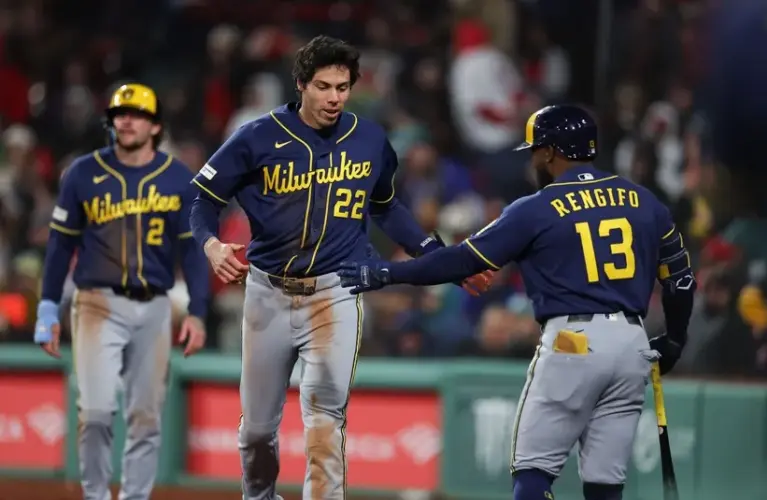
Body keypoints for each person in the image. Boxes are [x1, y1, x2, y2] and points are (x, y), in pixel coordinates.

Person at [337, 105, 697, 500]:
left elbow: (461, 259)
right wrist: (675, 339)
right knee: (605, 487)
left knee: (532, 474)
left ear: (549, 152)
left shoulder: (537, 207)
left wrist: (388, 274)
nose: (532, 158)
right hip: (633, 344)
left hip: (572, 342)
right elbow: (680, 281)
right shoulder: (645, 202)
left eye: (534, 150)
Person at [188, 35, 492, 500]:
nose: (335, 97)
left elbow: (389, 210)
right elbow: (202, 202)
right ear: (301, 84)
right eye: (325, 86)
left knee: (324, 422)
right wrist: (210, 245)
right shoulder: (257, 136)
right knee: (256, 434)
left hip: (335, 291)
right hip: (267, 293)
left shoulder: (369, 138)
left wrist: (446, 261)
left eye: (343, 87)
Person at [33, 83, 209, 500]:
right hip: (97, 303)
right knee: (94, 413)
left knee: (146, 418)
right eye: (120, 113)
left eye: (137, 114)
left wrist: (199, 311)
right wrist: (46, 307)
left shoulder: (178, 177)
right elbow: (60, 245)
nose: (126, 120)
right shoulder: (82, 173)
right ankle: (95, 495)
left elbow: (194, 252)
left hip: (154, 308)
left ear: (155, 126)